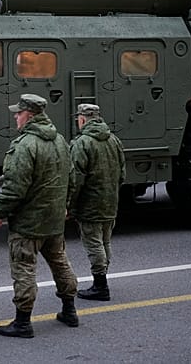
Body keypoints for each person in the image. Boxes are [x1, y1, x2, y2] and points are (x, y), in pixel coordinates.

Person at [0, 94, 79, 338]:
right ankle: (70, 311)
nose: (15, 117)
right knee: (60, 263)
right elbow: (71, 178)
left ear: (29, 115)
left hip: (28, 223)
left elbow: (14, 186)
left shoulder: (25, 145)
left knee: (24, 269)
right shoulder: (60, 141)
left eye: (18, 113)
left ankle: (22, 322)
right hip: (53, 220)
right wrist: (64, 205)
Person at [70, 104, 125, 302]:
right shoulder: (114, 140)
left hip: (90, 204)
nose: (77, 121)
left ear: (83, 119)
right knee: (105, 241)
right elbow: (122, 173)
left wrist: (70, 205)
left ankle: (100, 286)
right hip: (110, 201)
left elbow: (76, 179)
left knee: (93, 243)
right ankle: (102, 279)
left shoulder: (82, 143)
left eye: (78, 118)